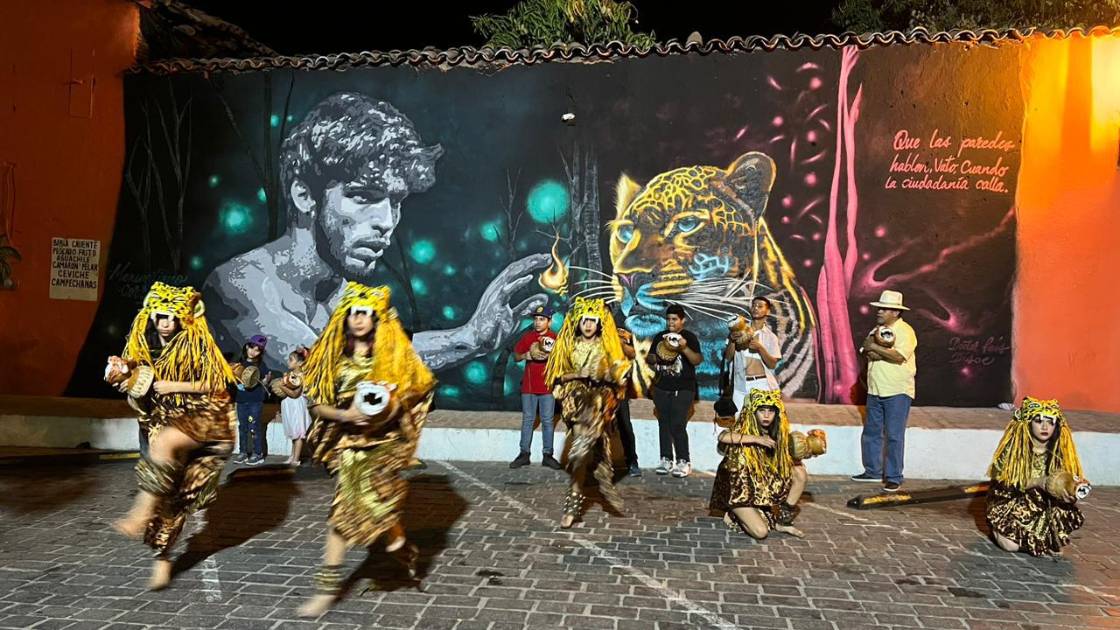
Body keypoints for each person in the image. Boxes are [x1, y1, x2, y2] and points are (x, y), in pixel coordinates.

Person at [203, 92, 550, 374]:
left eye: (395, 201)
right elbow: (325, 368)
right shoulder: (239, 284)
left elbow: (390, 349)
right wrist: (463, 341)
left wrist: (470, 338)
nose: (386, 221)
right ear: (304, 195)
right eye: (363, 196)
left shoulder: (347, 296)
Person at [296, 282, 435, 617]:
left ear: (376, 318)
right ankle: (329, 589)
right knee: (344, 514)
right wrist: (346, 415)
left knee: (371, 507)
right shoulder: (333, 358)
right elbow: (316, 406)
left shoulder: (392, 357)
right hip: (349, 445)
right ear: (345, 317)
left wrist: (387, 408)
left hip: (385, 446)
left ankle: (398, 546)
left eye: (366, 313)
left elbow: (413, 394)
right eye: (353, 313)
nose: (358, 319)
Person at [106, 282, 236, 590]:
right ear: (152, 316)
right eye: (161, 316)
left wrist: (175, 386)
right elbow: (133, 381)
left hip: (203, 417)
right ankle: (162, 558)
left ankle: (139, 512)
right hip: (158, 422)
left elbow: (218, 383)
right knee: (168, 498)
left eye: (172, 317)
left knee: (167, 450)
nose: (166, 323)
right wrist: (121, 374)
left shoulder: (197, 343)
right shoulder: (143, 345)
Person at [545, 297, 631, 528]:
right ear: (578, 323)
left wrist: (609, 374)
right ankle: (575, 500)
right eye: (585, 321)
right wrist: (578, 375)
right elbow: (557, 376)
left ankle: (574, 502)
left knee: (582, 449)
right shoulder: (569, 345)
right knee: (580, 456)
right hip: (575, 399)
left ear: (599, 323)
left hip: (599, 401)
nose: (589, 325)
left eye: (593, 321)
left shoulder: (606, 345)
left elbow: (618, 372)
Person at [710, 389, 818, 540]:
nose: (766, 415)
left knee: (799, 472)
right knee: (761, 532)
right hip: (738, 491)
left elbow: (793, 455)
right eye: (762, 411)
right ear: (754, 412)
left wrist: (810, 445)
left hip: (760, 485)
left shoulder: (778, 433)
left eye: (770, 411)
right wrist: (757, 439)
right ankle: (733, 512)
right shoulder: (744, 427)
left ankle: (782, 521)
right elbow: (723, 436)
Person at [986, 396, 1086, 556]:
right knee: (1010, 546)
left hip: (1044, 504)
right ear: (1028, 423)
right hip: (1014, 502)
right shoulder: (1015, 449)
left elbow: (1064, 479)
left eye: (1050, 422)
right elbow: (1004, 484)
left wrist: (1069, 491)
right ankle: (999, 529)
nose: (1045, 427)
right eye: (1039, 421)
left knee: (1054, 537)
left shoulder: (1058, 451)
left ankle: (1038, 539)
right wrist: (1038, 482)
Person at [851, 290, 917, 492]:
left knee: (894, 435)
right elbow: (865, 350)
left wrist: (876, 349)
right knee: (872, 432)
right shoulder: (877, 329)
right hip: (875, 389)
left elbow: (898, 356)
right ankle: (873, 471)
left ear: (895, 312)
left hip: (897, 391)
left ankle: (894, 476)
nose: (879, 311)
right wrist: (878, 351)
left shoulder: (905, 331)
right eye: (879, 308)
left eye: (884, 309)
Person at [645, 305, 702, 477]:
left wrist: (683, 348)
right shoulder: (660, 337)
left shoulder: (689, 337)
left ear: (682, 320)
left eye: (674, 319)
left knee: (677, 423)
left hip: (684, 388)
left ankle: (684, 461)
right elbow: (650, 358)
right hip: (661, 386)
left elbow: (697, 360)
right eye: (668, 319)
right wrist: (656, 355)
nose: (671, 322)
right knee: (663, 423)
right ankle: (666, 459)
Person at [509, 305, 561, 470]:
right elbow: (516, 356)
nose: (538, 322)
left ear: (549, 322)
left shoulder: (555, 338)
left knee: (547, 421)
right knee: (528, 420)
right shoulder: (528, 337)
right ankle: (524, 454)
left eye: (542, 319)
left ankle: (548, 455)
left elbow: (562, 360)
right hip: (529, 387)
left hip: (547, 387)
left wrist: (551, 355)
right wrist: (526, 355)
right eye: (536, 319)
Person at [725, 296, 782, 412]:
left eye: (760, 306)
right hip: (740, 385)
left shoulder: (771, 337)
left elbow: (772, 364)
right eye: (754, 305)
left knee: (759, 420)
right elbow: (728, 357)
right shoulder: (738, 331)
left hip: (761, 384)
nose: (756, 308)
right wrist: (732, 341)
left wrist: (760, 348)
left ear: (767, 311)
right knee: (739, 419)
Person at [231, 335, 273, 465]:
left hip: (255, 402)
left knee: (253, 427)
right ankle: (243, 452)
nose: (253, 352)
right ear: (247, 346)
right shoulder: (239, 363)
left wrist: (266, 381)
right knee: (242, 427)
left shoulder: (261, 365)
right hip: (241, 401)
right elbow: (232, 379)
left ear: (261, 352)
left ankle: (258, 454)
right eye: (251, 347)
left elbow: (265, 381)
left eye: (257, 350)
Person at [272, 347, 311, 466]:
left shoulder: (301, 376)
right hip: (289, 406)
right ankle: (292, 456)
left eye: (291, 359)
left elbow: (295, 394)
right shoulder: (291, 375)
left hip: (296, 406)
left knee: (298, 433)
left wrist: (282, 386)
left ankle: (296, 459)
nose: (288, 362)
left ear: (300, 363)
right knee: (294, 433)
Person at [614, 321, 641, 477]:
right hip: (600, 389)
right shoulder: (595, 331)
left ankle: (632, 461)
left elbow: (632, 353)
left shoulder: (621, 331)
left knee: (625, 426)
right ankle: (598, 463)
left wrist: (618, 343)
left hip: (619, 390)